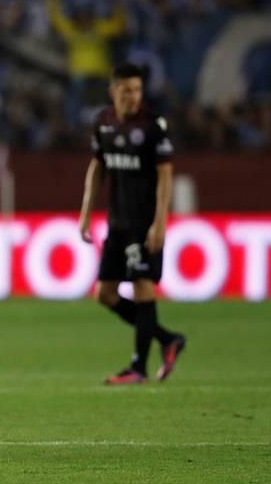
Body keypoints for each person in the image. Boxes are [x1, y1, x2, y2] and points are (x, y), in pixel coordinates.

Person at [78, 63, 186, 385]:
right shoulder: (103, 123)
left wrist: (160, 222)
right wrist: (86, 212)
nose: (133, 96)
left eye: (137, 90)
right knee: (104, 294)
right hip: (118, 222)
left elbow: (165, 177)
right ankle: (167, 339)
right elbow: (97, 168)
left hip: (144, 221)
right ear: (113, 91)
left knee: (142, 285)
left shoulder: (153, 126)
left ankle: (138, 367)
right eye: (127, 90)